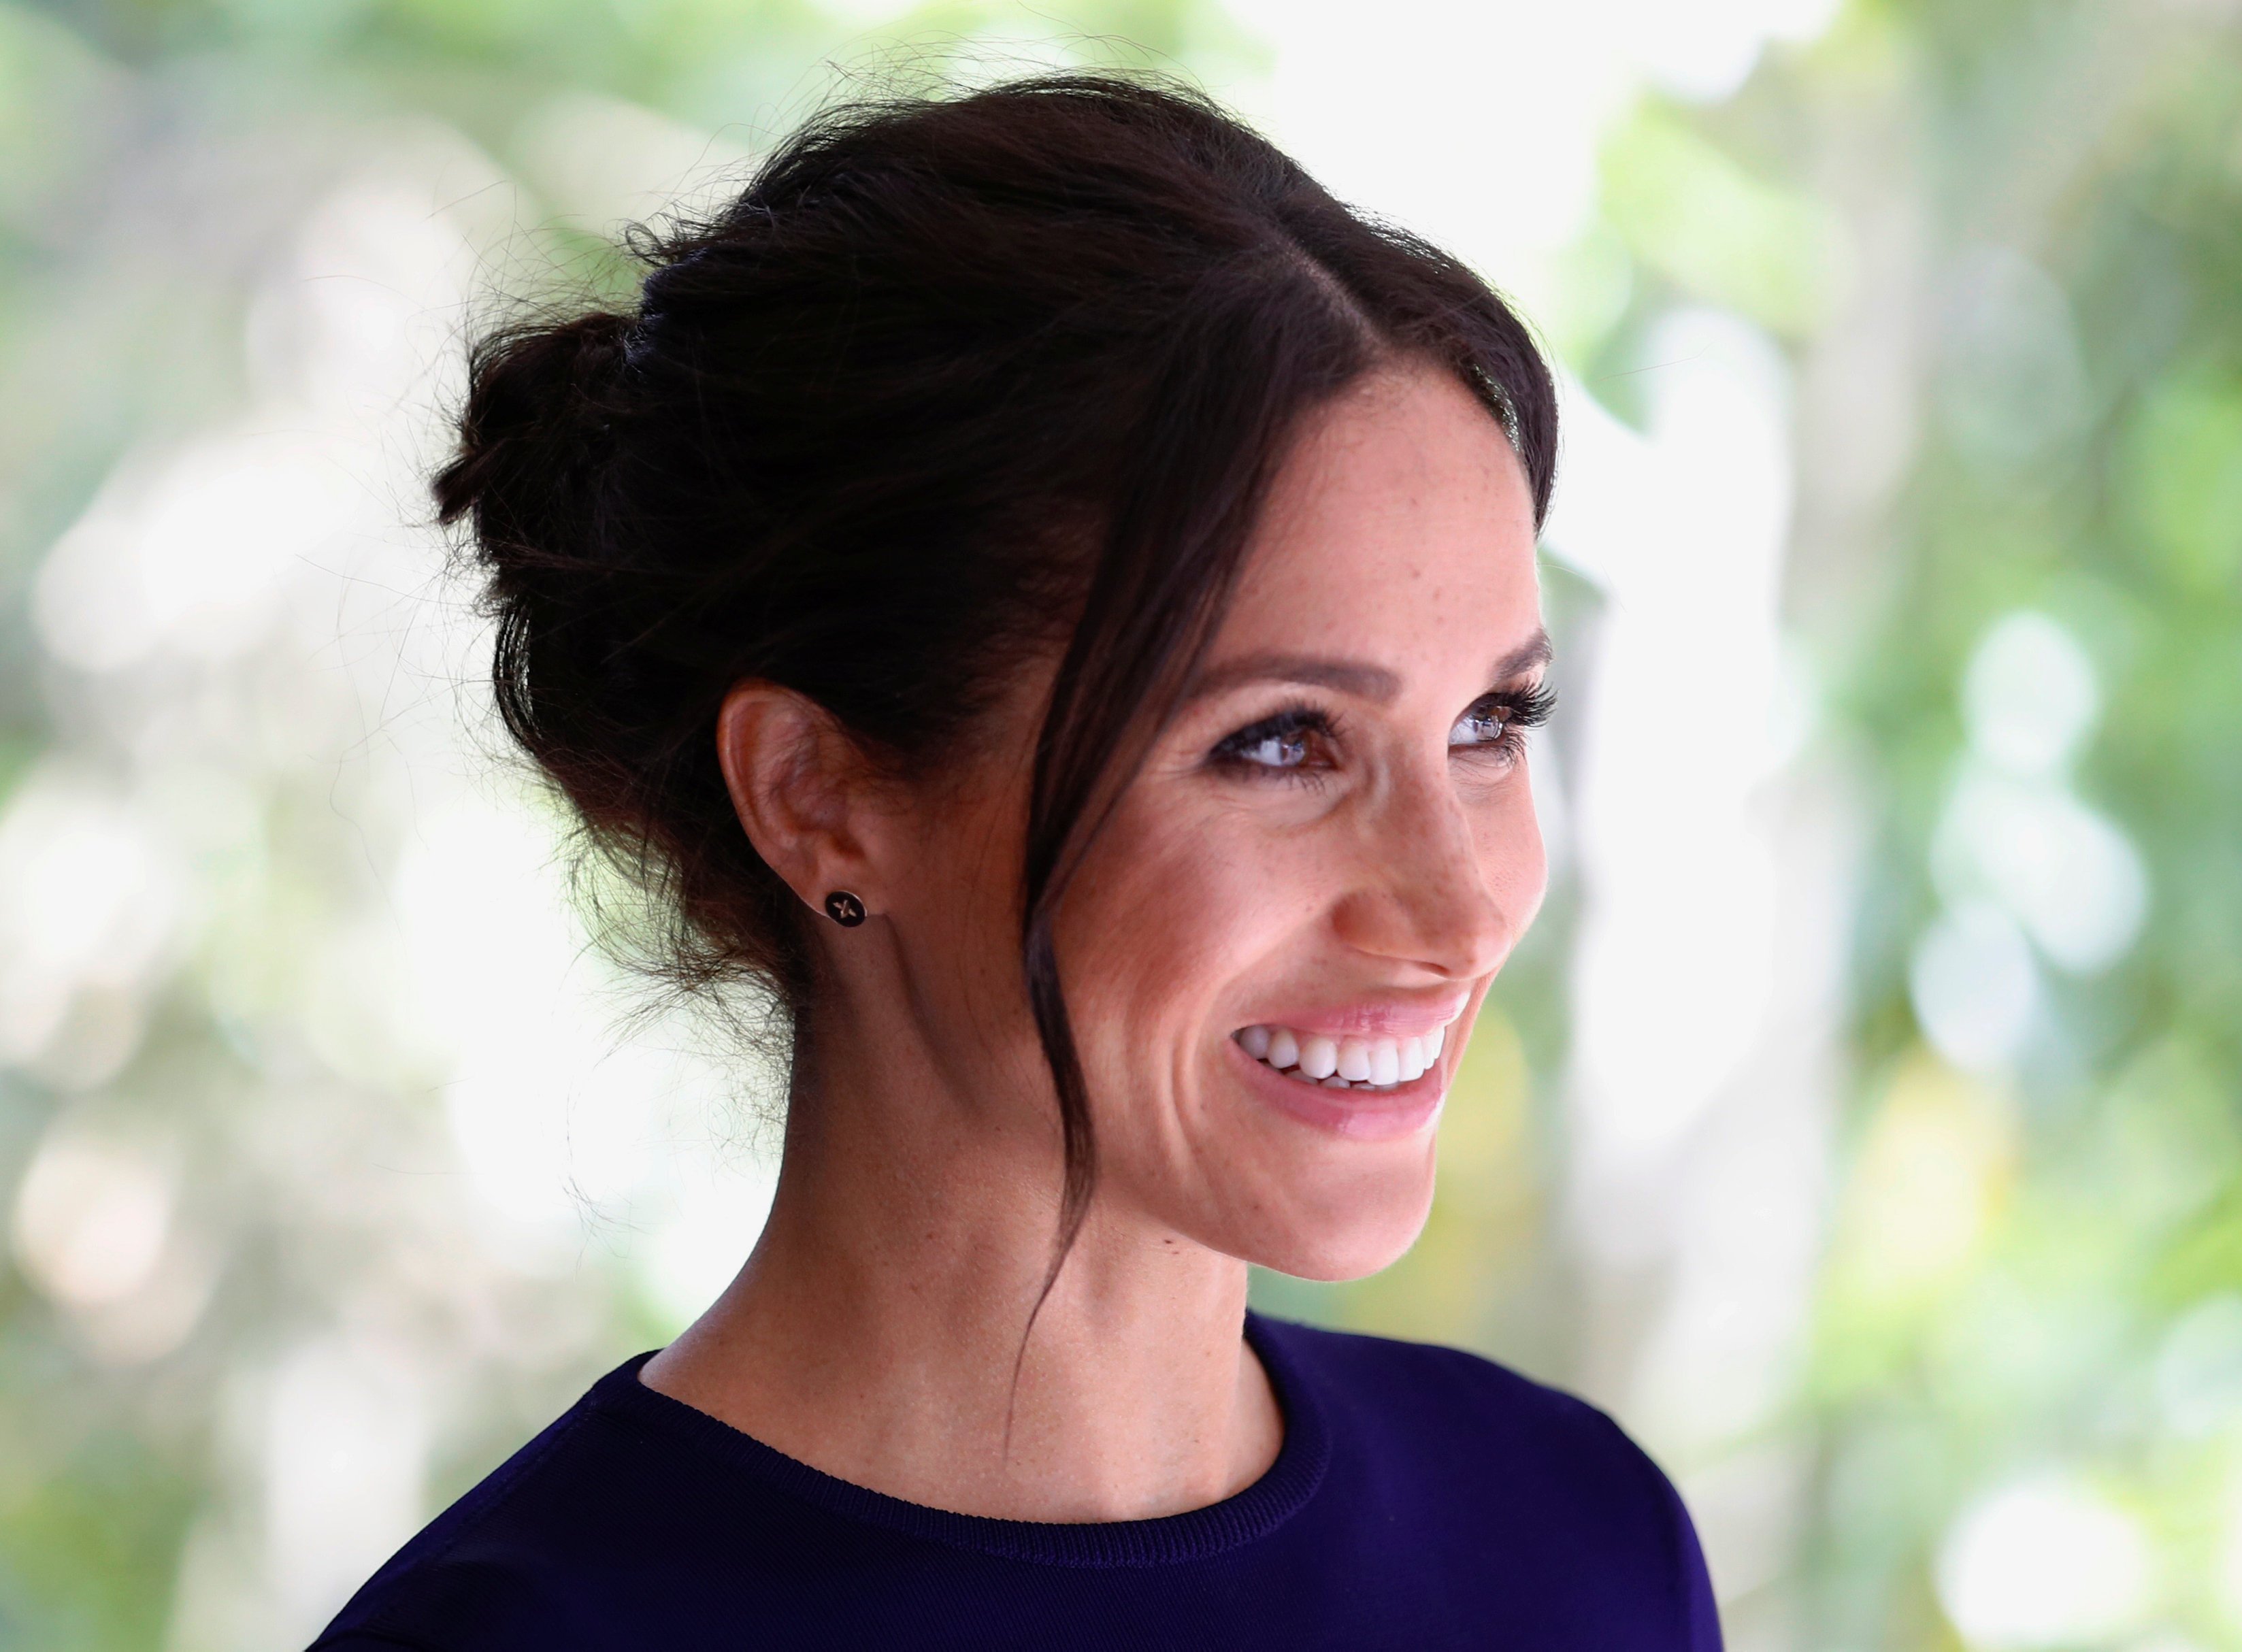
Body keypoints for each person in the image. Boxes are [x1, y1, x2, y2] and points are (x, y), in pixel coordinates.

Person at [312, 73, 1724, 1651]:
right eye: (1278, 741)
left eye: (1489, 721)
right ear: (820, 795)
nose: (1462, 907)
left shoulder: (1571, 1539)